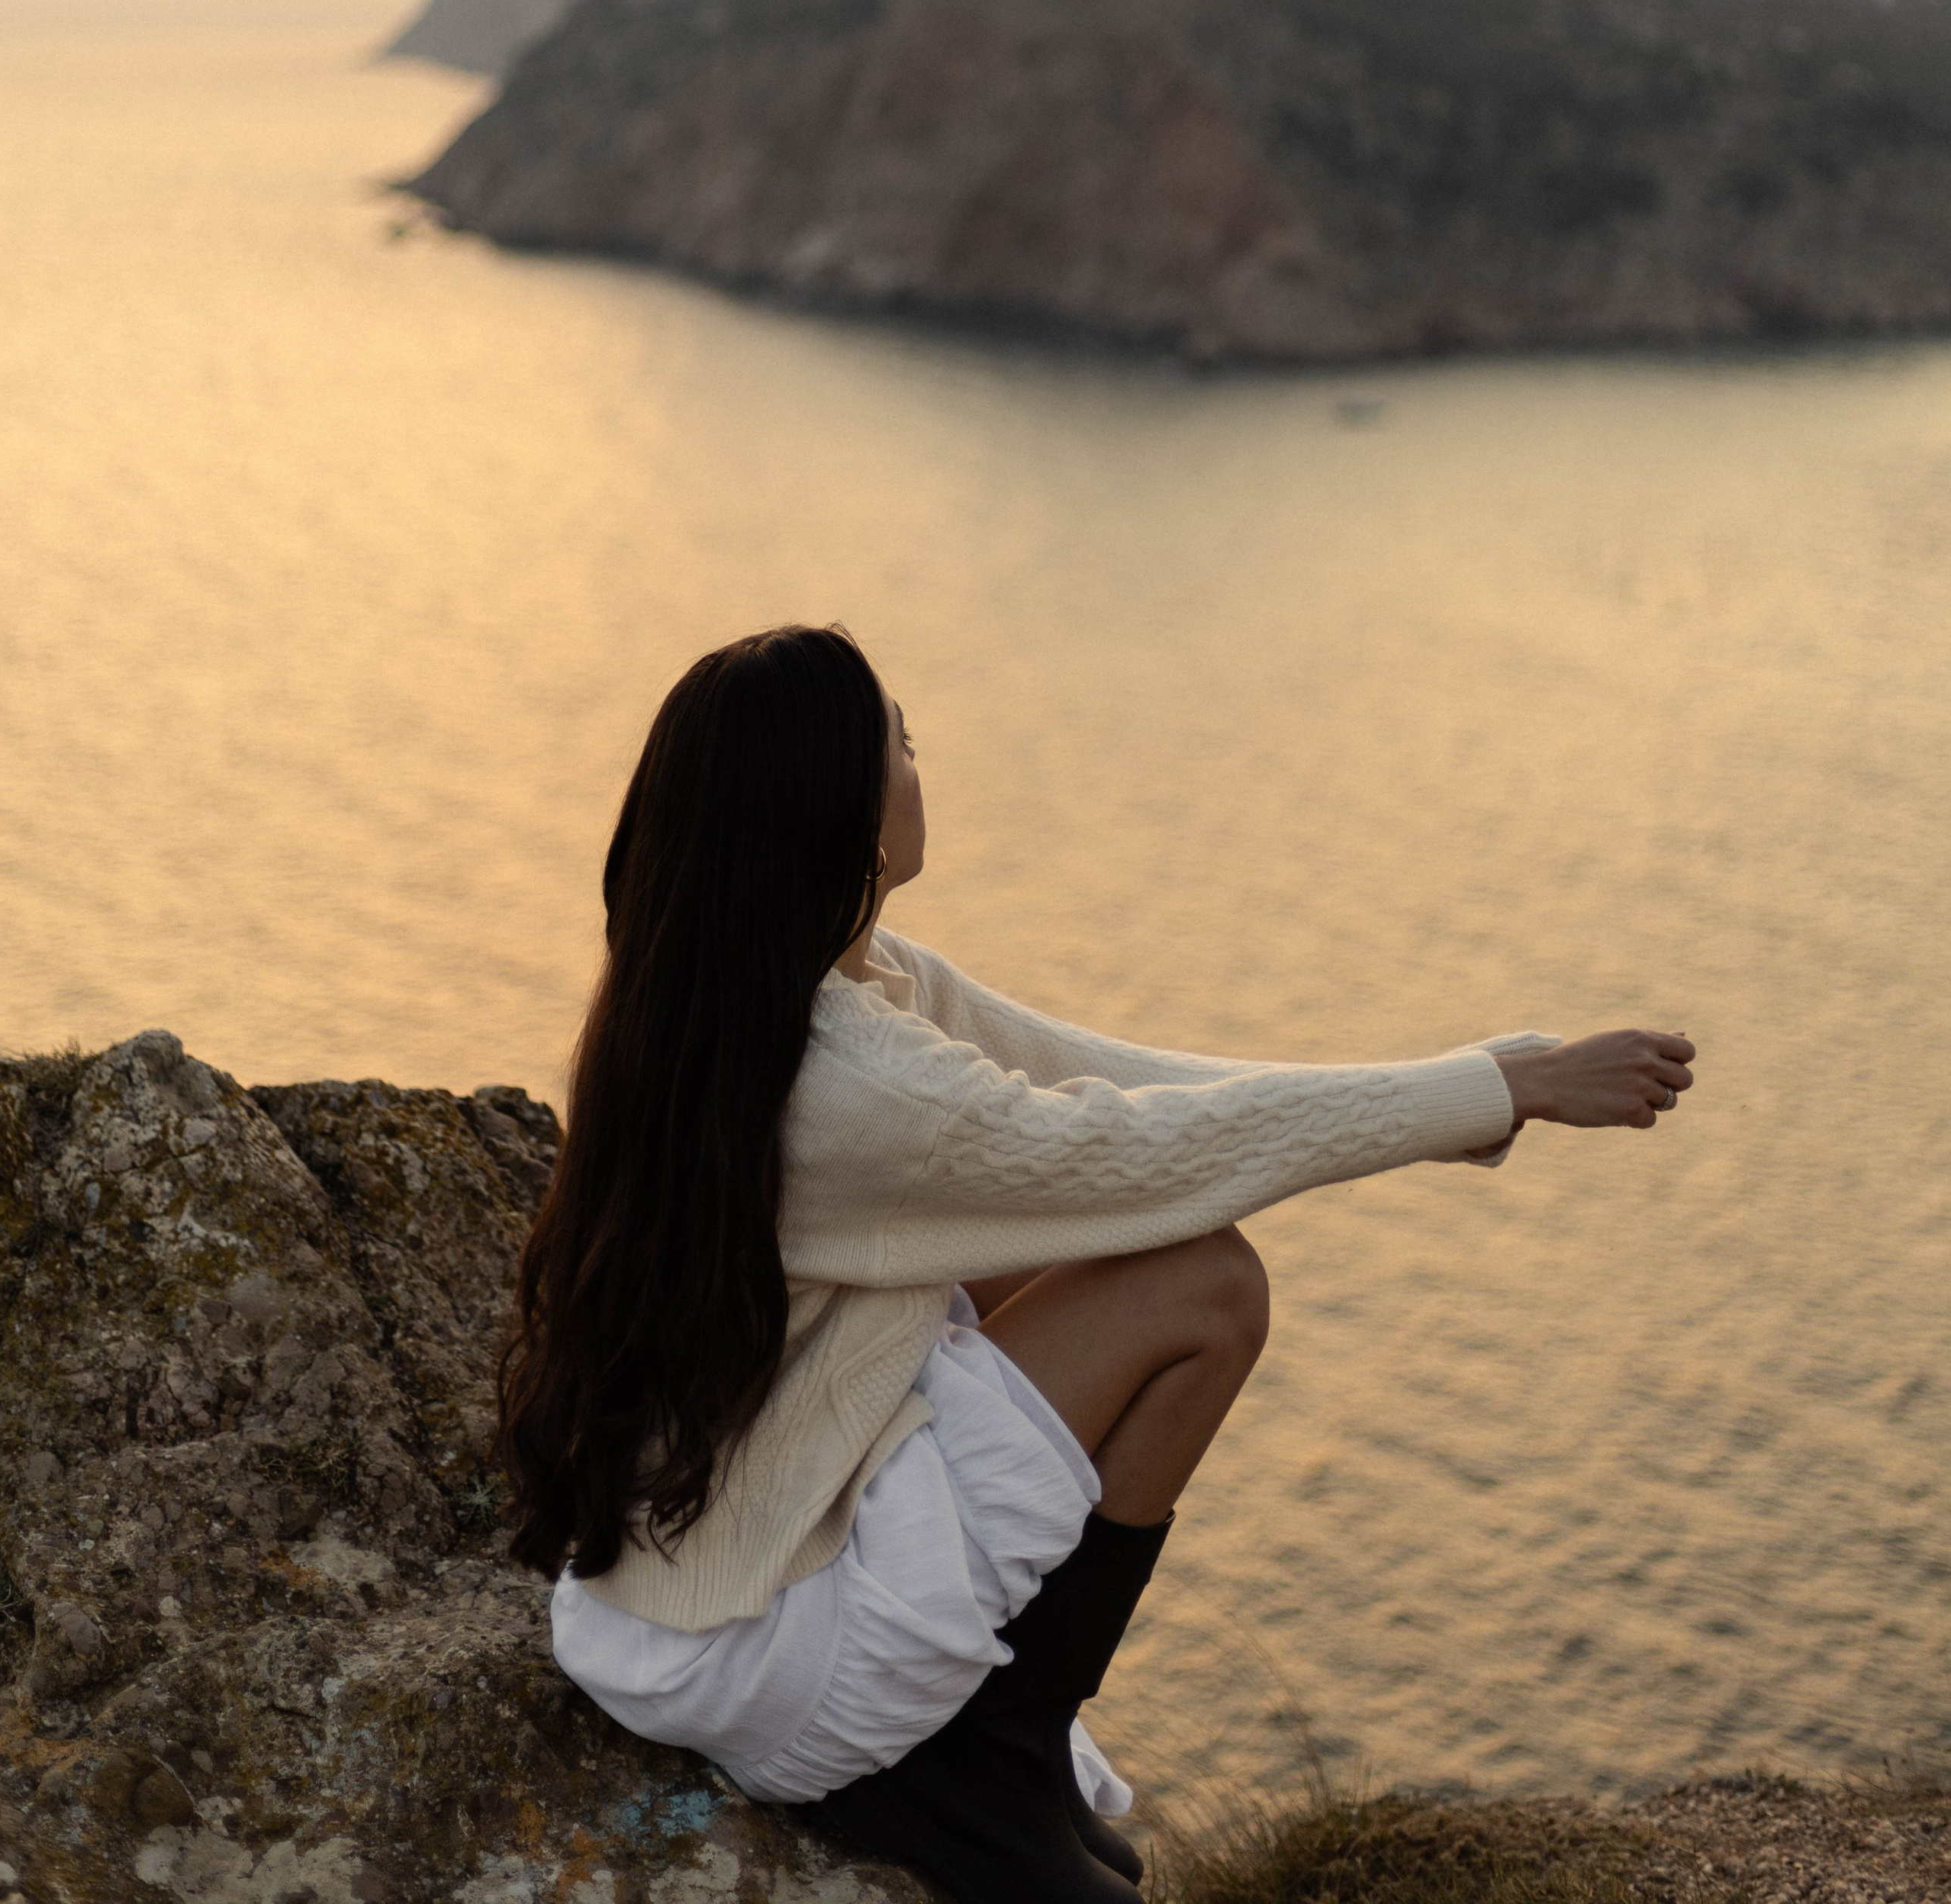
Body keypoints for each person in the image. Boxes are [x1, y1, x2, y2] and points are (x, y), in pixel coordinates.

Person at [497, 624, 1695, 1904]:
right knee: (1207, 1285)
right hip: (758, 1649)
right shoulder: (853, 1080)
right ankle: (989, 1758)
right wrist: (1495, 1090)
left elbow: (1122, 1089)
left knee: (1051, 1239)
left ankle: (995, 1747)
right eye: (900, 742)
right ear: (836, 809)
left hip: (668, 1587)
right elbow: (1142, 1152)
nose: (919, 763)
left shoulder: (746, 992)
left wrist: (1466, 1090)